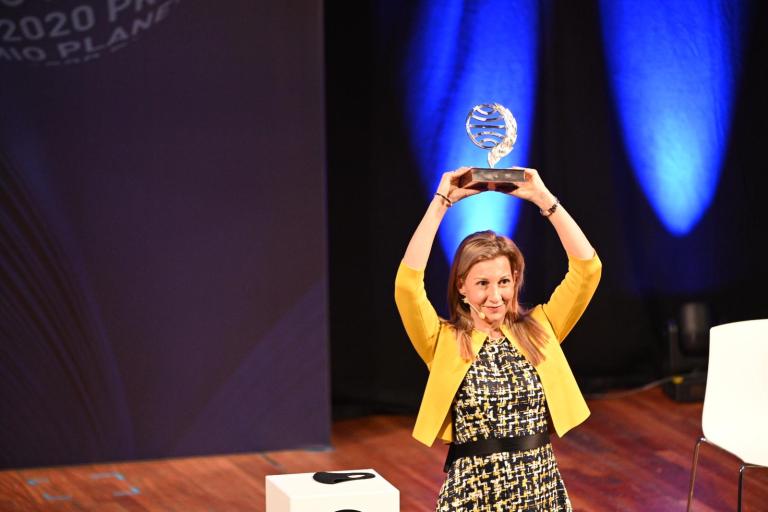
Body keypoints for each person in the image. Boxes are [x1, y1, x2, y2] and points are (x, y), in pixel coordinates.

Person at [394, 167, 602, 511]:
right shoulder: (443, 340)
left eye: (503, 282)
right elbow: (407, 287)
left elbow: (587, 269)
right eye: (482, 284)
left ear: (515, 279)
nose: (495, 296)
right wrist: (441, 203)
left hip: (540, 491)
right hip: (474, 495)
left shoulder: (541, 328)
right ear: (461, 286)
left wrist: (542, 198)